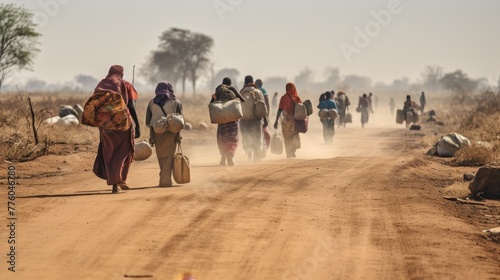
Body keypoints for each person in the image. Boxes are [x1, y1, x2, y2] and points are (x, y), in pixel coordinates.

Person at [92, 65, 140, 194]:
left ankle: (114, 183)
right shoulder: (125, 85)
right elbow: (131, 105)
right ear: (122, 74)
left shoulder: (101, 84)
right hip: (123, 123)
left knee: (109, 151)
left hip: (105, 124)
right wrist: (137, 124)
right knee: (125, 150)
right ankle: (119, 179)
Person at [146, 81, 183, 187]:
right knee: (169, 156)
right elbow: (180, 122)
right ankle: (165, 180)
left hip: (157, 132)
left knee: (161, 156)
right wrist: (178, 135)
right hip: (172, 132)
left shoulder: (151, 103)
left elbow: (149, 122)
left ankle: (164, 177)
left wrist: (151, 136)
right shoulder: (176, 102)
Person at [210, 77, 245, 166]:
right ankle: (230, 155)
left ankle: (223, 157)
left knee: (222, 138)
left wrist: (214, 98)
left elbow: (211, 103)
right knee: (232, 138)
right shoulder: (232, 89)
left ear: (222, 82)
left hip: (222, 119)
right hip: (233, 119)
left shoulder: (218, 89)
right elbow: (242, 100)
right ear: (230, 83)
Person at [240, 75, 268, 161]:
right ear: (252, 82)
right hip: (256, 121)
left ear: (245, 82)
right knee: (257, 138)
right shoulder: (258, 92)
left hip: (244, 121)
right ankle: (256, 156)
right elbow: (263, 107)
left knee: (247, 137)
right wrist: (265, 119)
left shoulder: (241, 93)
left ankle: (249, 155)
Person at [273, 82, 302, 158]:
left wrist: (276, 121)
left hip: (285, 121)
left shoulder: (283, 98)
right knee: (294, 136)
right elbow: (301, 110)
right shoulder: (297, 98)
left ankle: (288, 153)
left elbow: (279, 110)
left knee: (287, 137)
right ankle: (292, 151)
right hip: (294, 121)